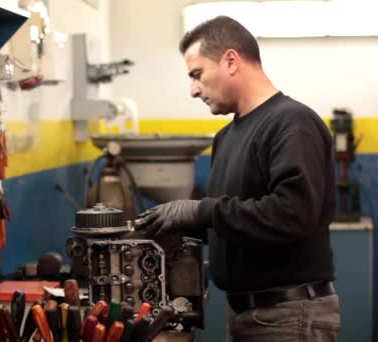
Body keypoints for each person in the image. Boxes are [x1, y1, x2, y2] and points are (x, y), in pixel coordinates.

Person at [135, 16, 340, 341]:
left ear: (231, 61)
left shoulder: (291, 123)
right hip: (243, 313)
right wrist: (176, 224)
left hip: (289, 315)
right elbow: (234, 221)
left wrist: (201, 211)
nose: (193, 90)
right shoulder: (226, 137)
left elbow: (292, 214)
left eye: (197, 74)